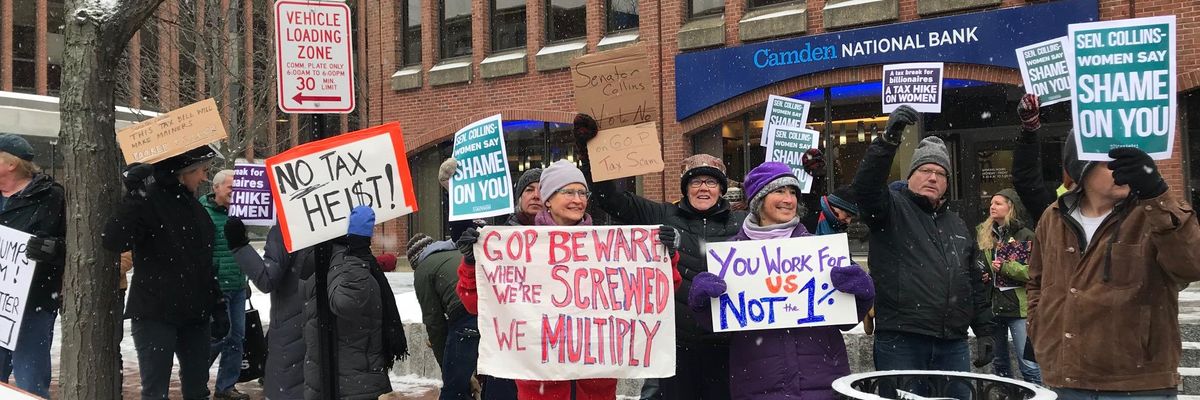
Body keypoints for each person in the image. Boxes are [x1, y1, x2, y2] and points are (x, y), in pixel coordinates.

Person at [455, 159, 682, 400]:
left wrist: (667, 255)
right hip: (540, 387)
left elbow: (659, 292)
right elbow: (474, 303)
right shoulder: (518, 247)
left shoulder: (609, 245)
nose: (578, 199)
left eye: (582, 192)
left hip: (597, 386)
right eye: (568, 192)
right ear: (548, 199)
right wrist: (471, 262)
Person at [573, 114, 743, 400]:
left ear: (722, 189)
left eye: (711, 183)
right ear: (686, 188)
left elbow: (786, 227)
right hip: (675, 346)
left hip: (728, 347)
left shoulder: (742, 222)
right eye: (696, 182)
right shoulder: (663, 215)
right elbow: (612, 201)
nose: (703, 188)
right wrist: (592, 154)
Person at [686, 162, 875, 399]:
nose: (789, 199)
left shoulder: (820, 252)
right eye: (779, 191)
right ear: (758, 200)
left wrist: (863, 294)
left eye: (793, 192)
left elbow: (846, 320)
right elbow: (718, 326)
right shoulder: (731, 257)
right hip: (758, 382)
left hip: (821, 380)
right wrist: (702, 303)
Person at [1028, 146, 1200, 399]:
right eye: (1113, 162)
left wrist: (1158, 195)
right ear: (1082, 169)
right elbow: (1036, 282)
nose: (1124, 170)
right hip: (1065, 381)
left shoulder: (1155, 212)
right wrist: (1039, 326)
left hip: (1138, 384)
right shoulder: (1053, 216)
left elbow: (1191, 266)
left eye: (1130, 162)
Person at [849, 106, 993, 380]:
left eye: (940, 173)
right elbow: (865, 188)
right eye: (926, 170)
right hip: (902, 341)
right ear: (911, 175)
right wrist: (888, 141)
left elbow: (974, 281)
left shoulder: (958, 224)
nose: (933, 178)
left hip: (952, 343)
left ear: (947, 183)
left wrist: (985, 330)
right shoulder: (889, 209)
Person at [103, 146, 225, 400]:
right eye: (201, 171)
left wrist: (217, 301)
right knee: (155, 391)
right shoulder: (148, 201)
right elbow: (114, 240)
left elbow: (203, 262)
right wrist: (133, 196)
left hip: (196, 313)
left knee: (198, 390)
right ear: (183, 172)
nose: (204, 178)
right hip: (155, 313)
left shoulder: (195, 207)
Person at [302, 206, 394, 400]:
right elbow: (346, 303)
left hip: (342, 377)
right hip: (351, 383)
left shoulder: (324, 258)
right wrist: (357, 253)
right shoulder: (342, 260)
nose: (374, 231)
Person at [0, 133, 64, 398]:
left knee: (31, 384)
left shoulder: (51, 197)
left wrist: (52, 248)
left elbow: (73, 244)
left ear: (10, 163)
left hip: (32, 303)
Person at [226, 217, 313, 400]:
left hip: (292, 333)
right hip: (327, 332)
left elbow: (267, 280)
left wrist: (239, 246)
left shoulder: (289, 226)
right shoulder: (336, 227)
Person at [409, 232, 486, 400]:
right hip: (491, 309)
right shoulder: (456, 253)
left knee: (454, 389)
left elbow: (434, 320)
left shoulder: (423, 269)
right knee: (491, 378)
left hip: (465, 312)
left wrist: (446, 365)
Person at [977, 189, 1041, 384]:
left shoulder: (1026, 235)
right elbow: (980, 263)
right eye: (991, 203)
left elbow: (1036, 272)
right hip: (994, 306)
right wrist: (983, 274)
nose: (992, 207)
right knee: (1000, 364)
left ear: (1010, 206)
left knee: (1028, 365)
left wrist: (1006, 268)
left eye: (998, 203)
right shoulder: (984, 233)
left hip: (1019, 308)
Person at [202, 169, 251, 400]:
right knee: (217, 337)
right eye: (231, 187)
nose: (235, 192)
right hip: (216, 286)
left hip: (238, 284)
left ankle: (226, 387)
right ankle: (196, 378)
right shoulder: (202, 214)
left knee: (236, 338)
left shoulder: (241, 214)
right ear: (216, 188)